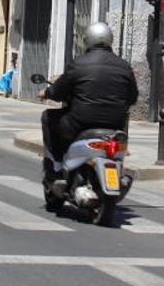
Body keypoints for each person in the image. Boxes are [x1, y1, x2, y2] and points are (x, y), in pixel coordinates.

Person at [39, 22, 138, 180]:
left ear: (88, 40)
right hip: (115, 124)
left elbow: (58, 91)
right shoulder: (124, 66)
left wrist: (47, 93)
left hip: (81, 122)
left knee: (48, 117)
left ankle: (57, 164)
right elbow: (133, 97)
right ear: (110, 40)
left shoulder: (79, 64)